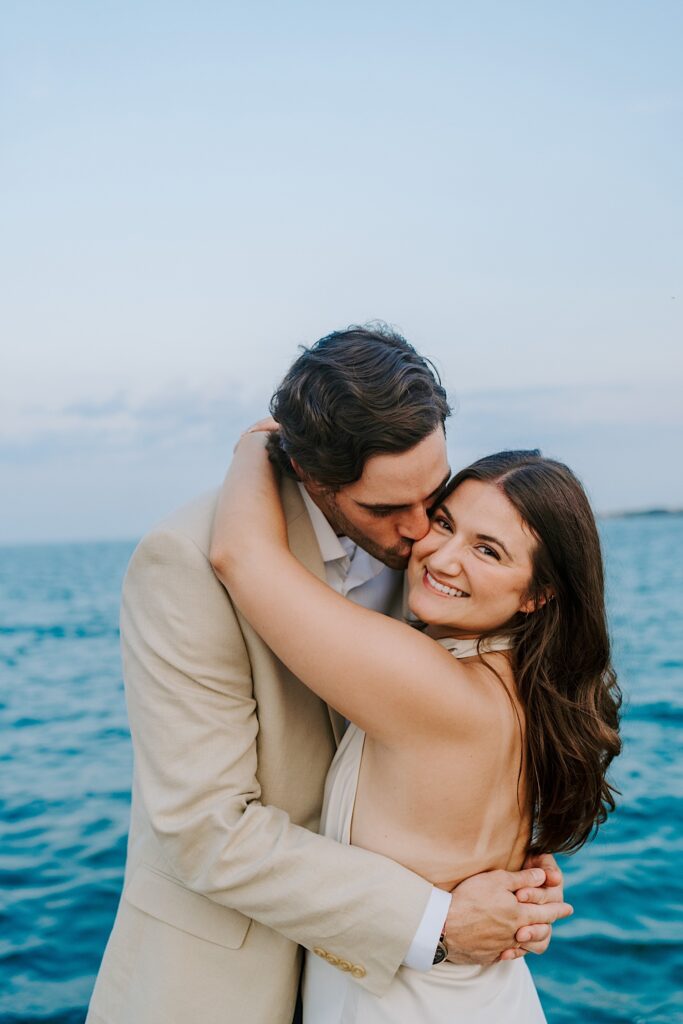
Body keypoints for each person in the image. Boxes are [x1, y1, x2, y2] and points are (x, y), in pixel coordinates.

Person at [87, 326, 570, 1024]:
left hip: (385, 984)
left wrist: (502, 864)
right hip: (227, 978)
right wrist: (436, 920)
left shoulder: (442, 561)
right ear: (310, 472)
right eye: (383, 509)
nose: (418, 535)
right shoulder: (185, 561)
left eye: (431, 499)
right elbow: (204, 829)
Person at [210, 435, 622, 1023]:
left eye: (488, 551)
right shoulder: (529, 687)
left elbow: (240, 557)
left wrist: (260, 440)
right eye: (444, 522)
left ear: (537, 594)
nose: (443, 557)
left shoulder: (434, 685)